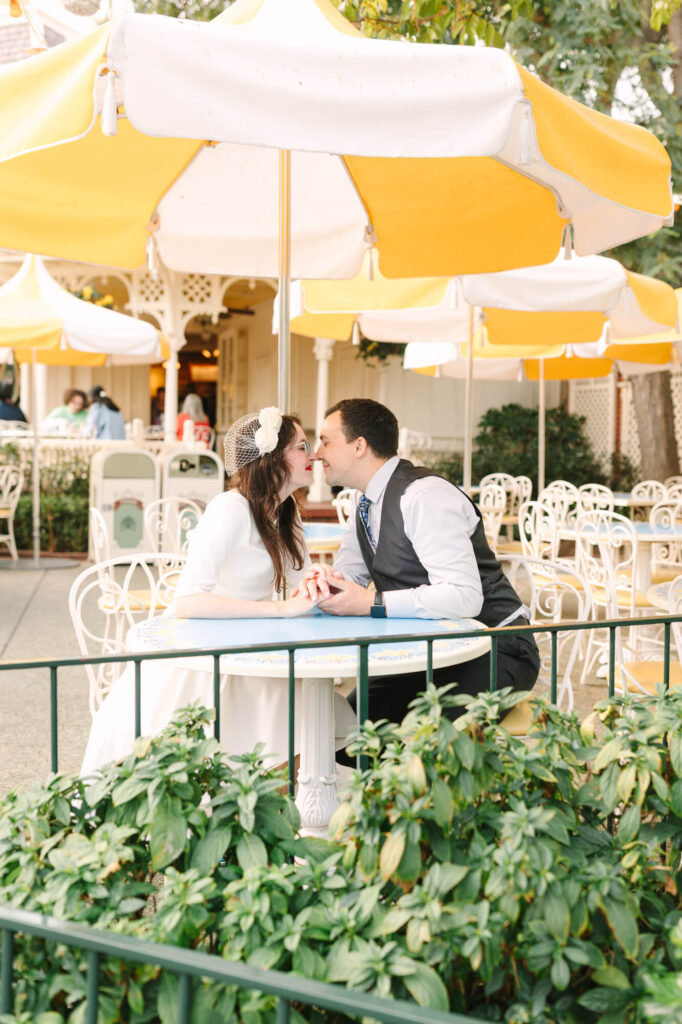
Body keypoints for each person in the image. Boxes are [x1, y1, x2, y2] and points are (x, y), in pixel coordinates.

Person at [81, 406, 355, 773]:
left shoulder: (286, 511)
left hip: (253, 645)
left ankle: (288, 796)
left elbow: (299, 584)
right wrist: (280, 610)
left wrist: (318, 581)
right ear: (271, 458)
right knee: (292, 708)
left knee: (302, 708)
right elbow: (187, 601)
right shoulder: (230, 509)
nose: (314, 455)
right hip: (209, 652)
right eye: (302, 447)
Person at [301, 397, 540, 735]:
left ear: (359, 446)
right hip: (424, 654)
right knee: (346, 730)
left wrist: (372, 603)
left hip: (495, 649)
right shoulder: (365, 501)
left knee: (422, 744)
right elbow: (350, 574)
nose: (317, 453)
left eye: (326, 441)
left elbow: (464, 596)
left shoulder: (424, 496)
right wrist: (327, 581)